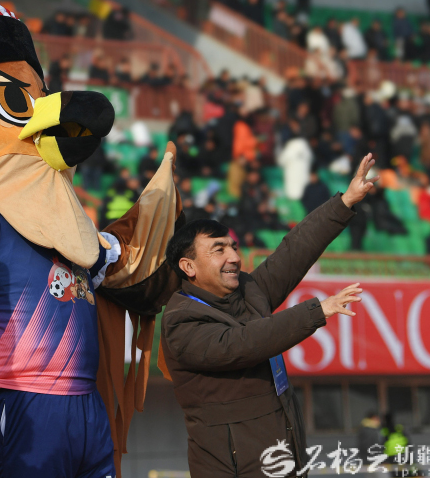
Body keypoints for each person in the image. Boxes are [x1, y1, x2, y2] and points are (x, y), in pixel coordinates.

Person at [161, 154, 377, 478]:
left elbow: (293, 252)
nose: (234, 257)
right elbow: (243, 343)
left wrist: (345, 202)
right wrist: (317, 310)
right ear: (188, 266)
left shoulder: (247, 290)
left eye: (233, 247)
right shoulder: (180, 320)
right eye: (219, 250)